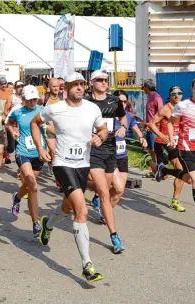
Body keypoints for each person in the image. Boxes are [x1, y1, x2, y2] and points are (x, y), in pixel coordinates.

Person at [32, 72, 107, 282]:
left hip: (83, 164)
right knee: (81, 210)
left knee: (68, 207)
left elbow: (103, 129)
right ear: (66, 87)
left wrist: (99, 136)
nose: (80, 88)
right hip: (62, 164)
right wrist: (40, 147)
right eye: (75, 85)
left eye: (82, 84)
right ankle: (87, 265)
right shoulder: (55, 109)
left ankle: (48, 225)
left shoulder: (92, 108)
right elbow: (34, 123)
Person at [156, 77, 195, 230]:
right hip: (186, 148)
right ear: (192, 89)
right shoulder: (183, 105)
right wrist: (171, 139)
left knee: (189, 180)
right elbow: (171, 122)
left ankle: (164, 170)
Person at [86, 70, 127, 254]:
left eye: (105, 80)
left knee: (112, 190)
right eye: (100, 80)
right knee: (103, 191)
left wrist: (123, 127)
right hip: (93, 150)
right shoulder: (86, 102)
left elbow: (122, 116)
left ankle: (80, 184)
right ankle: (114, 236)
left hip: (110, 149)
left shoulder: (114, 100)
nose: (104, 82)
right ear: (92, 82)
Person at [95, 90, 147, 224]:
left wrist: (142, 138)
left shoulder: (128, 116)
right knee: (117, 187)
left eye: (125, 101)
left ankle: (104, 209)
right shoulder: (105, 115)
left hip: (122, 157)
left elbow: (137, 131)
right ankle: (100, 198)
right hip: (108, 155)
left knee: (119, 191)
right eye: (120, 101)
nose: (122, 104)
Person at [6, 85, 47, 237]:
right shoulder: (17, 112)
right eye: (29, 100)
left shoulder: (43, 111)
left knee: (28, 185)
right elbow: (8, 122)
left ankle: (17, 197)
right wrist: (13, 131)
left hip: (39, 153)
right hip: (23, 152)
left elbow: (51, 128)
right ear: (23, 99)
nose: (32, 103)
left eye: (35, 99)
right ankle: (36, 223)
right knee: (33, 187)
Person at [147, 85, 186, 212]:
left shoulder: (184, 108)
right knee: (163, 177)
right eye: (174, 94)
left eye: (179, 93)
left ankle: (175, 200)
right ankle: (151, 163)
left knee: (181, 171)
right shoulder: (165, 109)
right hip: (162, 143)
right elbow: (151, 123)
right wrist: (162, 135)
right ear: (169, 96)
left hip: (175, 144)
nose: (177, 96)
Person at [142, 79, 163, 178]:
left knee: (155, 150)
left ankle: (160, 171)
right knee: (150, 149)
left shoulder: (156, 97)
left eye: (143, 87)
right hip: (148, 128)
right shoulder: (149, 97)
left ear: (147, 87)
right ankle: (155, 170)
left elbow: (161, 114)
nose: (143, 89)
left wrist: (153, 126)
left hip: (154, 129)